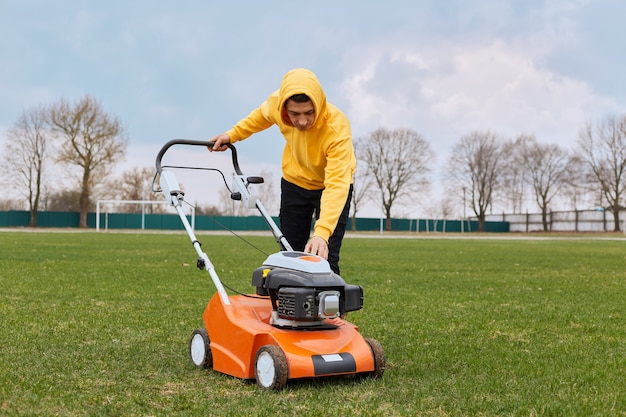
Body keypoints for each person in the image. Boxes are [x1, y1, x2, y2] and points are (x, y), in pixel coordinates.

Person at [209, 68, 355, 275]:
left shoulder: (336, 127)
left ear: (319, 105)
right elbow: (259, 117)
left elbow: (337, 184)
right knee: (290, 254)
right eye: (295, 114)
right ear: (285, 109)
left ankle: (330, 307)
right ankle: (289, 306)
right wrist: (232, 135)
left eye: (309, 113)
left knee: (325, 258)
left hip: (330, 189)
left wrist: (321, 234)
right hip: (295, 183)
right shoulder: (276, 104)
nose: (302, 121)